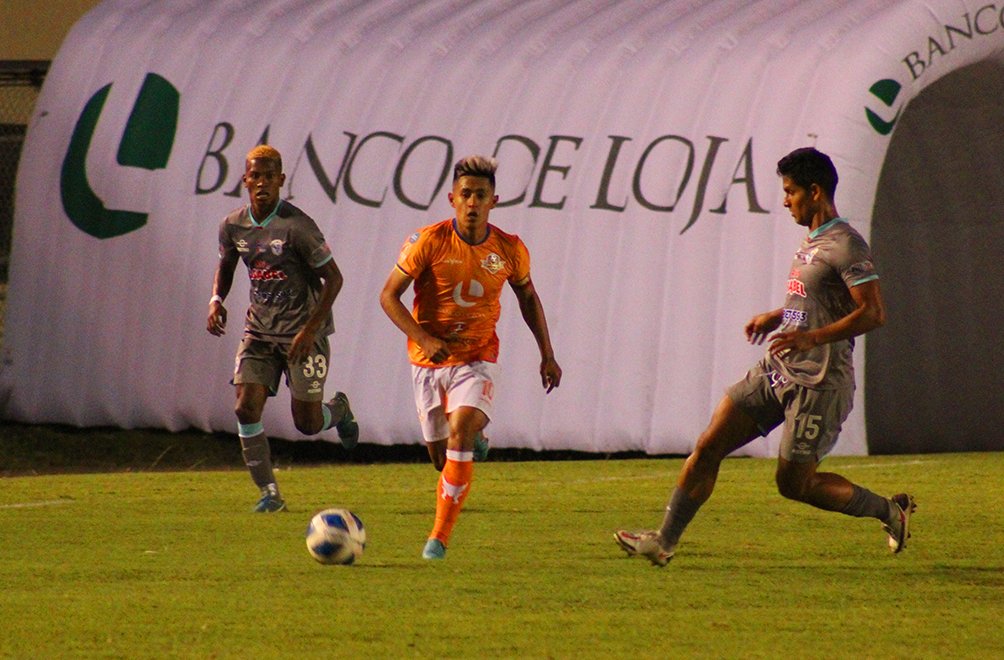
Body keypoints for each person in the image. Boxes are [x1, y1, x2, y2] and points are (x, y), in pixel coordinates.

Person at [615, 147, 915, 566]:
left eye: (791, 191)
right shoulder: (811, 241)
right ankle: (662, 542)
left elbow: (873, 312)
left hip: (820, 382)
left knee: (795, 485)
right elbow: (815, 302)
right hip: (779, 369)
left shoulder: (846, 244)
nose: (785, 200)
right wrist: (779, 316)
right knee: (708, 446)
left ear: (814, 192)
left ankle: (888, 511)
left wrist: (812, 338)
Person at [380, 155, 562, 559]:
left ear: (494, 200)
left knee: (459, 432)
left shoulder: (509, 249)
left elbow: (528, 297)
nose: (473, 202)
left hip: (477, 357)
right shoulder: (427, 241)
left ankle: (438, 538)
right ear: (452, 199)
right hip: (428, 361)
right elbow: (388, 297)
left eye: (481, 194)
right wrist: (423, 338)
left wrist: (547, 354)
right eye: (466, 194)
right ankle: (473, 442)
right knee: (440, 458)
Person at [207, 144, 359, 513]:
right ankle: (269, 493)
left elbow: (334, 279)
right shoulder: (233, 225)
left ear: (281, 181)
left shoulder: (298, 228)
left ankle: (337, 409)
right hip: (258, 332)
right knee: (245, 408)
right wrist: (216, 300)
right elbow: (227, 264)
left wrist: (309, 330)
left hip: (303, 335)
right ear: (245, 180)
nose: (261, 183)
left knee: (306, 423)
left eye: (269, 176)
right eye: (255, 176)